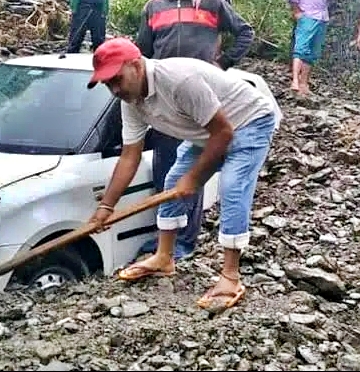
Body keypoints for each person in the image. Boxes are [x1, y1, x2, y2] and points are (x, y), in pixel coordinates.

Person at [86, 37, 276, 309]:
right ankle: (164, 257)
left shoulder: (178, 81)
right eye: (107, 84)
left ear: (136, 66)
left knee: (232, 187)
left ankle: (231, 276)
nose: (114, 89)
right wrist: (106, 206)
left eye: (117, 79)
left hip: (249, 121)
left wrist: (196, 178)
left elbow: (224, 133)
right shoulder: (131, 102)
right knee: (173, 181)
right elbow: (130, 156)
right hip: (208, 132)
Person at [135, 0, 254, 259]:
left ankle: (187, 241)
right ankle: (166, 242)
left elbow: (245, 33)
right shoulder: (154, 7)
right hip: (164, 101)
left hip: (199, 102)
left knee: (193, 170)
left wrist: (223, 63)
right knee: (165, 169)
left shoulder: (212, 4)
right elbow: (141, 53)